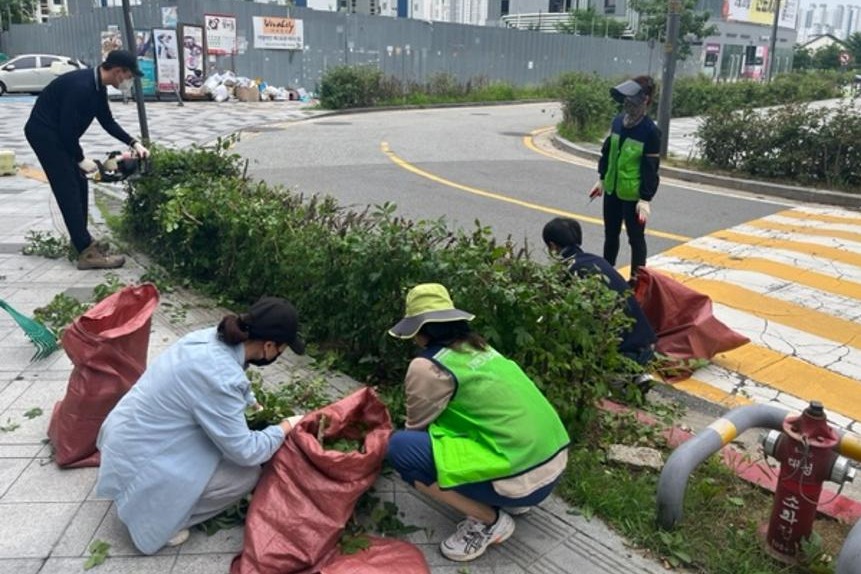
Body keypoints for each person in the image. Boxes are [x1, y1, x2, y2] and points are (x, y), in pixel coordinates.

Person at [96, 296, 305, 555]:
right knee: (246, 474)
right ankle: (162, 520)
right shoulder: (221, 377)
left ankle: (147, 494)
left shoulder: (208, 338)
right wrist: (287, 425)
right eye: (282, 351)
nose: (279, 356)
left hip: (123, 438)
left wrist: (251, 402)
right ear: (270, 346)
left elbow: (225, 376)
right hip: (142, 454)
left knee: (215, 444)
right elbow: (246, 451)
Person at [386, 283, 570, 563]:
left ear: (419, 331)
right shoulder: (482, 349)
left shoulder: (428, 366)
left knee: (401, 449)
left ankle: (490, 520)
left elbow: (417, 426)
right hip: (551, 469)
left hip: (521, 481)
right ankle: (505, 498)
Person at [24, 49, 150, 271]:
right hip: (45, 134)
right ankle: (86, 252)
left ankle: (82, 241)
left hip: (59, 135)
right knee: (68, 188)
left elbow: (107, 121)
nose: (128, 82)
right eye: (129, 76)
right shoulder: (81, 87)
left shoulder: (96, 87)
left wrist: (133, 142)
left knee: (80, 183)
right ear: (119, 72)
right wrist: (80, 158)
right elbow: (66, 129)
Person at [542, 217, 656, 388]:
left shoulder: (570, 271)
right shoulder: (597, 261)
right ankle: (634, 371)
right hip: (648, 346)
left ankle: (623, 373)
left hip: (623, 353)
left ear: (552, 246)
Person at [588, 75, 661, 284]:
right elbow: (608, 151)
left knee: (636, 240)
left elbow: (650, 168)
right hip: (611, 190)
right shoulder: (618, 122)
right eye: (625, 100)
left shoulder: (650, 132)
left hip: (633, 195)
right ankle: (606, 277)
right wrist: (601, 179)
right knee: (610, 235)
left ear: (645, 100)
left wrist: (645, 198)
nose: (627, 103)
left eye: (632, 99)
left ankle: (637, 283)